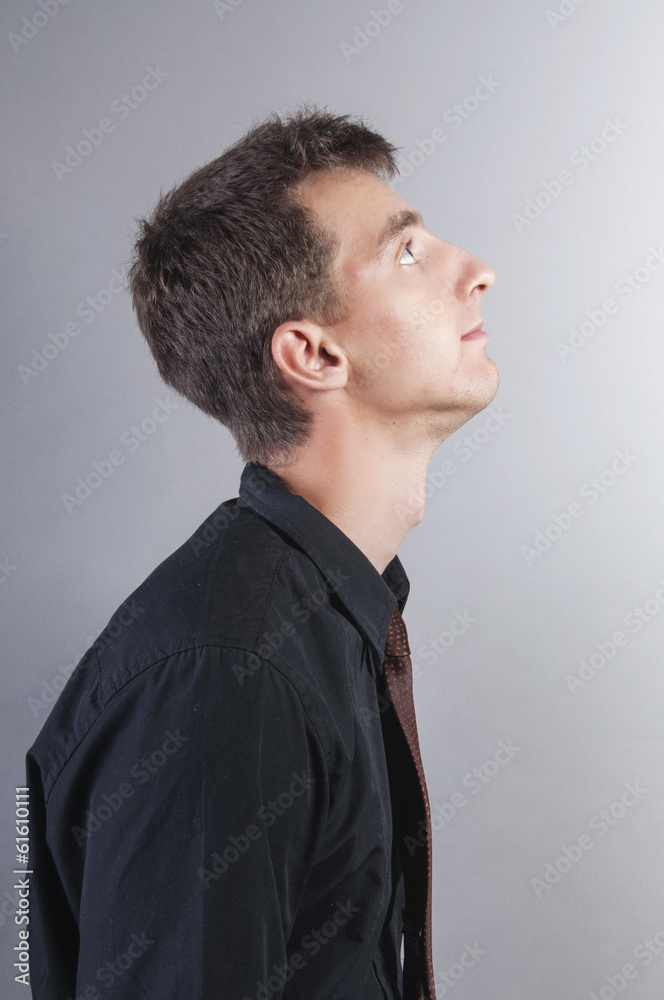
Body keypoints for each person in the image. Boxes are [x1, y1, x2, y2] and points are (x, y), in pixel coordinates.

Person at [26, 107, 497, 1000]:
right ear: (312, 353)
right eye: (407, 252)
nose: (476, 270)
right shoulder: (229, 675)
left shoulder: (320, 612)